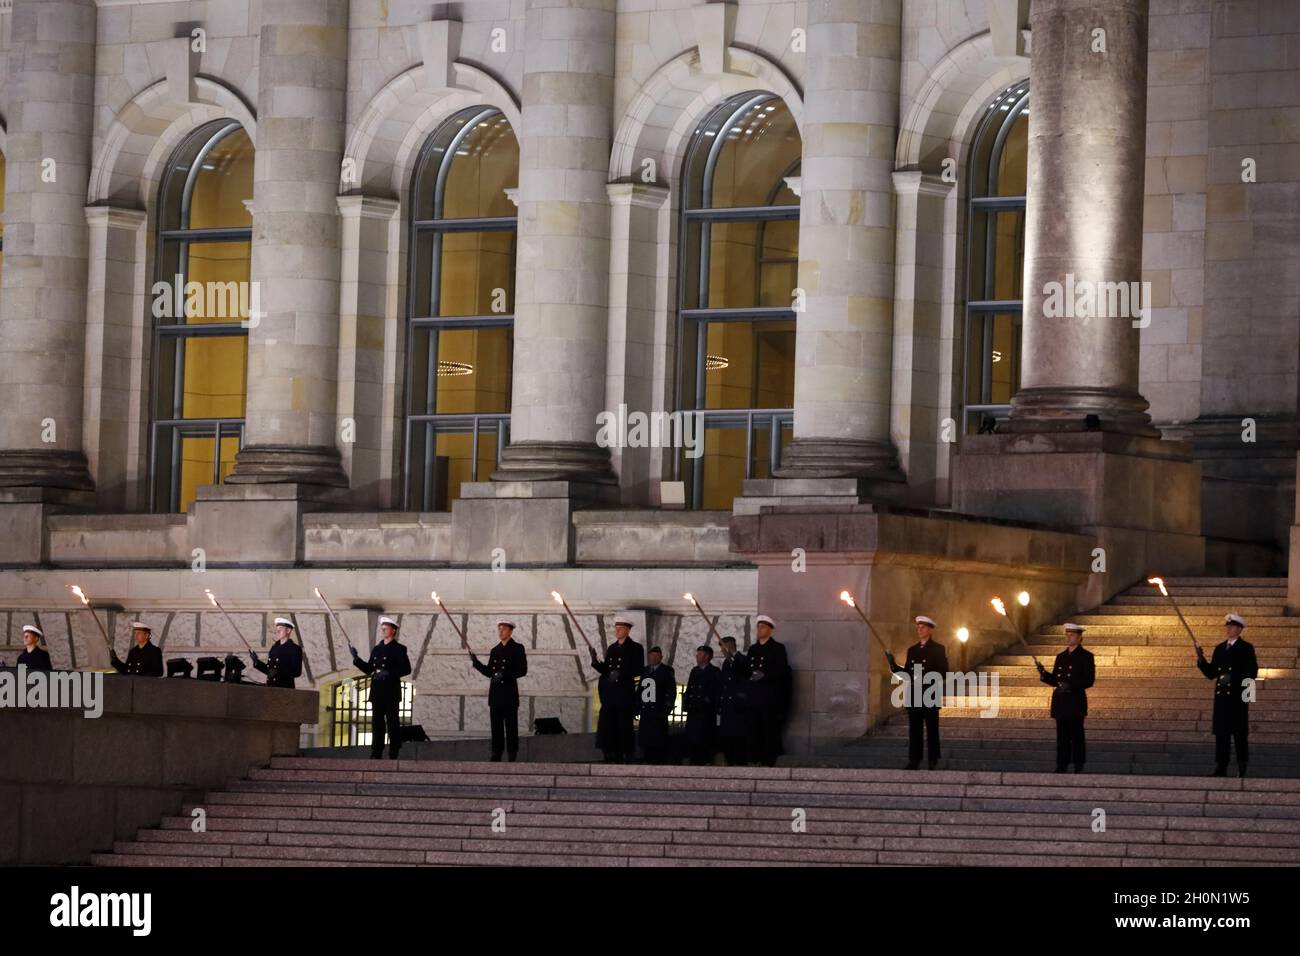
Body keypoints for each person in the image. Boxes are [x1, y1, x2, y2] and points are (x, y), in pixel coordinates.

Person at [1197, 612, 1258, 778]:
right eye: (1227, 626)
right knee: (1222, 735)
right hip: (1222, 698)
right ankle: (1221, 767)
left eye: (1232, 627)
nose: (1228, 629)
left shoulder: (1246, 648)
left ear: (1239, 629)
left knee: (1239, 734)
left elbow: (1252, 673)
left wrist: (1246, 695)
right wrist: (1201, 661)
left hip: (1237, 698)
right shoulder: (1219, 648)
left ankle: (1242, 766)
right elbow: (1211, 673)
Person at [887, 615, 948, 770]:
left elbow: (943, 672)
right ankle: (914, 760)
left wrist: (925, 678)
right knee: (915, 730)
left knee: (932, 729)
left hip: (929, 693)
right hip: (914, 694)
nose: (919, 630)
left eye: (923, 627)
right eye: (918, 627)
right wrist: (893, 665)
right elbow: (907, 674)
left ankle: (933, 760)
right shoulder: (912, 650)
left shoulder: (938, 649)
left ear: (930, 630)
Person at [1036, 623, 1095, 773]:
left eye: (1072, 635)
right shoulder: (1060, 657)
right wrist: (1044, 674)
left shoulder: (1086, 656)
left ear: (1079, 637)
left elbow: (1089, 680)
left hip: (1075, 702)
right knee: (1061, 736)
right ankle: (1061, 764)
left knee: (1076, 735)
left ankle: (1078, 765)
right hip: (1061, 702)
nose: (1069, 637)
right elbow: (1056, 680)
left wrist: (1070, 685)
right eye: (1067, 635)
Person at [351, 616, 411, 760]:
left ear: (393, 630)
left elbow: (406, 669)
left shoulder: (399, 649)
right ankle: (376, 751)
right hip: (377, 690)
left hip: (390, 691)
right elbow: (370, 669)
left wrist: (389, 673)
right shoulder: (377, 649)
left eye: (386, 626)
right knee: (377, 723)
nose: (383, 628)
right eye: (382, 626)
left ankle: (394, 750)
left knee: (392, 722)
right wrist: (357, 660)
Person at [471, 618, 528, 762]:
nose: (500, 631)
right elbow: (490, 672)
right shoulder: (495, 650)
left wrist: (504, 674)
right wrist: (477, 664)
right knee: (496, 727)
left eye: (503, 629)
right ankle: (496, 753)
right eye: (499, 629)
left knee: (511, 727)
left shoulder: (518, 648)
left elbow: (522, 670)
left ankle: (512, 753)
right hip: (496, 694)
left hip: (509, 693)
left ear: (510, 631)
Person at [590, 613, 644, 763]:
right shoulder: (612, 648)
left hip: (624, 694)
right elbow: (606, 670)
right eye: (616, 628)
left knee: (623, 727)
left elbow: (638, 669)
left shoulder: (635, 648)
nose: (617, 631)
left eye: (620, 628)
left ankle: (626, 753)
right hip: (610, 695)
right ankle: (610, 752)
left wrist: (619, 674)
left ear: (627, 630)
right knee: (608, 726)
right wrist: (595, 661)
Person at [746, 615, 791, 767]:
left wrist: (764, 676)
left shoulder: (777, 648)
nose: (760, 629)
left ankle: (769, 759)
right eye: (758, 626)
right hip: (754, 696)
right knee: (754, 729)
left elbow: (781, 671)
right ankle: (755, 758)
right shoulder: (753, 649)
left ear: (770, 630)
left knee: (769, 730)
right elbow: (747, 669)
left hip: (769, 697)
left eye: (763, 627)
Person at [683, 644, 723, 765]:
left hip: (706, 711)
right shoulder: (694, 671)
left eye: (700, 654)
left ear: (707, 656)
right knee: (692, 736)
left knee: (705, 736)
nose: (697, 656)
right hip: (693, 709)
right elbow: (690, 688)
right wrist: (686, 702)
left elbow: (716, 691)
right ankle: (693, 758)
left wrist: (711, 704)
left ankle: (705, 760)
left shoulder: (714, 671)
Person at [638, 646, 676, 764]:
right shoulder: (645, 670)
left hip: (659, 709)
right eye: (651, 656)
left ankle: (659, 759)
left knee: (658, 735)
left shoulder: (667, 671)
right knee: (646, 735)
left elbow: (671, 691)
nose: (653, 658)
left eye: (656, 656)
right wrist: (637, 707)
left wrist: (666, 708)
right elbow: (640, 689)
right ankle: (647, 757)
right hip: (646, 709)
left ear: (661, 657)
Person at [718, 636, 751, 765]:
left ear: (729, 647)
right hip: (727, 707)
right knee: (728, 737)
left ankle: (740, 761)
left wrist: (735, 654)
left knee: (739, 737)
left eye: (723, 649)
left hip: (739, 707)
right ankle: (729, 760)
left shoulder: (741, 660)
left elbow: (748, 667)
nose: (722, 652)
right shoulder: (727, 663)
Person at [250, 617, 303, 689]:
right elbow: (270, 671)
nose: (277, 631)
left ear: (288, 630)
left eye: (280, 629)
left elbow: (296, 672)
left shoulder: (294, 649)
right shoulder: (274, 648)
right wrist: (257, 662)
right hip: (270, 687)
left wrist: (278, 672)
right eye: (277, 629)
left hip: (285, 689)